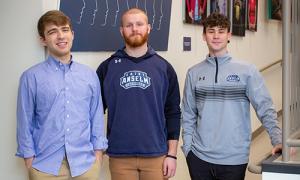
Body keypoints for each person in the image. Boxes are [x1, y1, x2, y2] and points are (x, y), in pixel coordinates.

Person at [181, 12, 282, 180]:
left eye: (221, 31)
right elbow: (188, 113)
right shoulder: (194, 73)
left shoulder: (247, 71)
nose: (216, 35)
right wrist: (188, 148)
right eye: (211, 31)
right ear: (204, 36)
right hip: (199, 157)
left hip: (234, 159)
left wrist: (277, 139)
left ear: (229, 35)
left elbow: (265, 108)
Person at [16, 10, 107, 179]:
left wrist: (98, 156)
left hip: (85, 165)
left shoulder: (89, 75)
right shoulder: (31, 77)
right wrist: (30, 162)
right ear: (43, 39)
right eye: (52, 32)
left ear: (72, 35)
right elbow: (24, 122)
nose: (60, 36)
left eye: (64, 30)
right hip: (45, 167)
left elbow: (96, 117)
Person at [96, 8, 181, 180]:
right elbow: (95, 113)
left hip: (156, 154)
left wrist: (172, 155)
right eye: (129, 25)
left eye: (139, 24)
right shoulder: (107, 68)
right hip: (120, 155)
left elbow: (173, 113)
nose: (135, 29)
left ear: (148, 28)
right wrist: (97, 149)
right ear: (122, 30)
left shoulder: (164, 68)